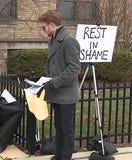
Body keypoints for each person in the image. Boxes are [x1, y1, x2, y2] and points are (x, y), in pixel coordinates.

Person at [37, 10, 81, 160]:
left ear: (51, 24)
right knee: (59, 128)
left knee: (67, 130)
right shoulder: (54, 39)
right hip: (57, 93)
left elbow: (74, 68)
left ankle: (65, 157)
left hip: (66, 94)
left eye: (44, 27)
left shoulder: (69, 40)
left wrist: (54, 82)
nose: (44, 31)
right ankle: (59, 155)